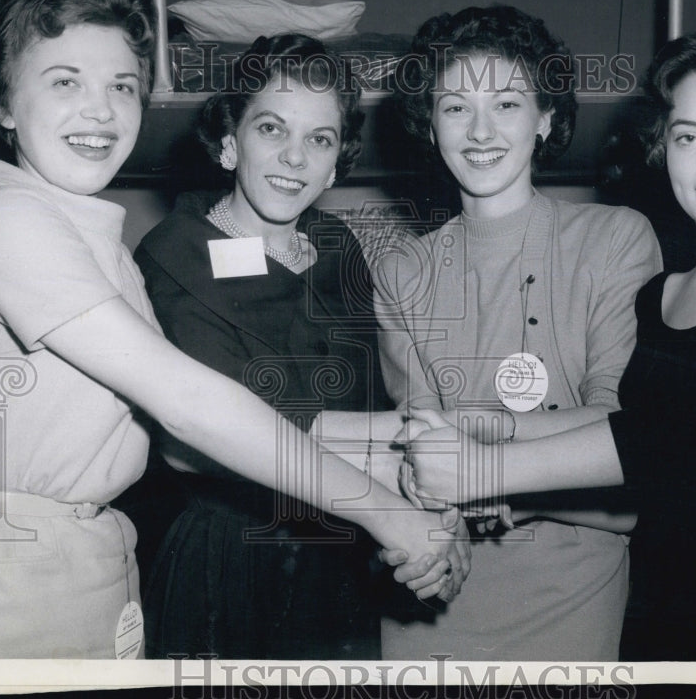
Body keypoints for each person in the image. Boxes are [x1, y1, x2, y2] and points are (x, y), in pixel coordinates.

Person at [0, 0, 464, 660]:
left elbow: (182, 435)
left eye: (122, 87)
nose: (101, 110)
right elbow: (189, 406)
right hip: (0, 579)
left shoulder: (87, 240)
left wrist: (422, 462)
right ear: (2, 106)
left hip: (87, 570)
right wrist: (390, 511)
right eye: (65, 82)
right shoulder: (4, 219)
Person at [402, 19, 696, 660]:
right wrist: (477, 433)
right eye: (687, 136)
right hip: (657, 630)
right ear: (663, 149)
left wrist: (487, 466)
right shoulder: (664, 298)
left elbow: (670, 438)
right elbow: (639, 455)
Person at [130, 33, 469, 660]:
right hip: (229, 566)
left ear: (338, 161)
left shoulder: (337, 246)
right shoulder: (173, 252)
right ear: (229, 142)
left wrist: (438, 515)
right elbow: (196, 445)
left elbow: (382, 391)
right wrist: (413, 460)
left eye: (319, 138)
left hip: (339, 558)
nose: (294, 157)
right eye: (271, 129)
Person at [373, 5, 663, 661]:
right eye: (454, 107)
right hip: (436, 595)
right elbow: (420, 446)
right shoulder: (401, 270)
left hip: (571, 589)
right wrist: (428, 540)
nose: (480, 130)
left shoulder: (615, 238)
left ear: (548, 117)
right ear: (429, 123)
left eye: (506, 103)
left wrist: (486, 478)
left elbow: (626, 435)